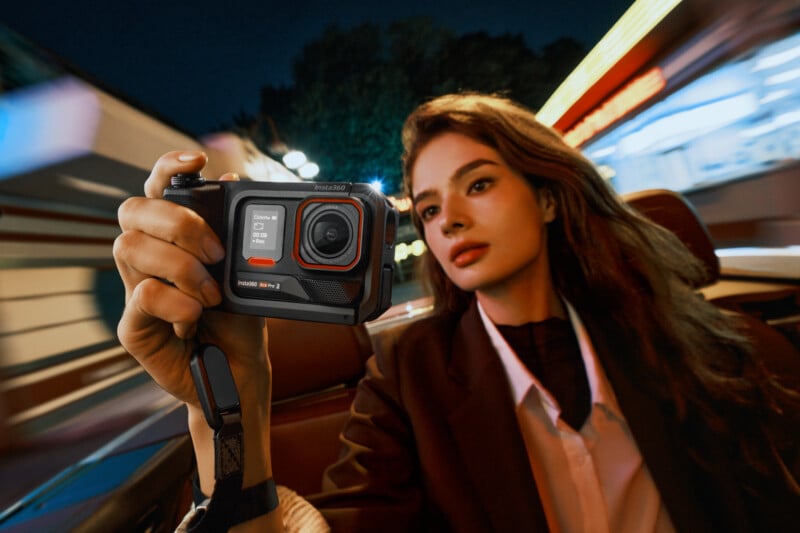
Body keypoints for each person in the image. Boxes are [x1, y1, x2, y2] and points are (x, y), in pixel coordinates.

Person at [114, 92, 800, 533]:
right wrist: (230, 403)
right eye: (430, 207)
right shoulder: (406, 377)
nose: (450, 220)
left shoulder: (702, 347)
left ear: (549, 197)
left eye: (478, 184)